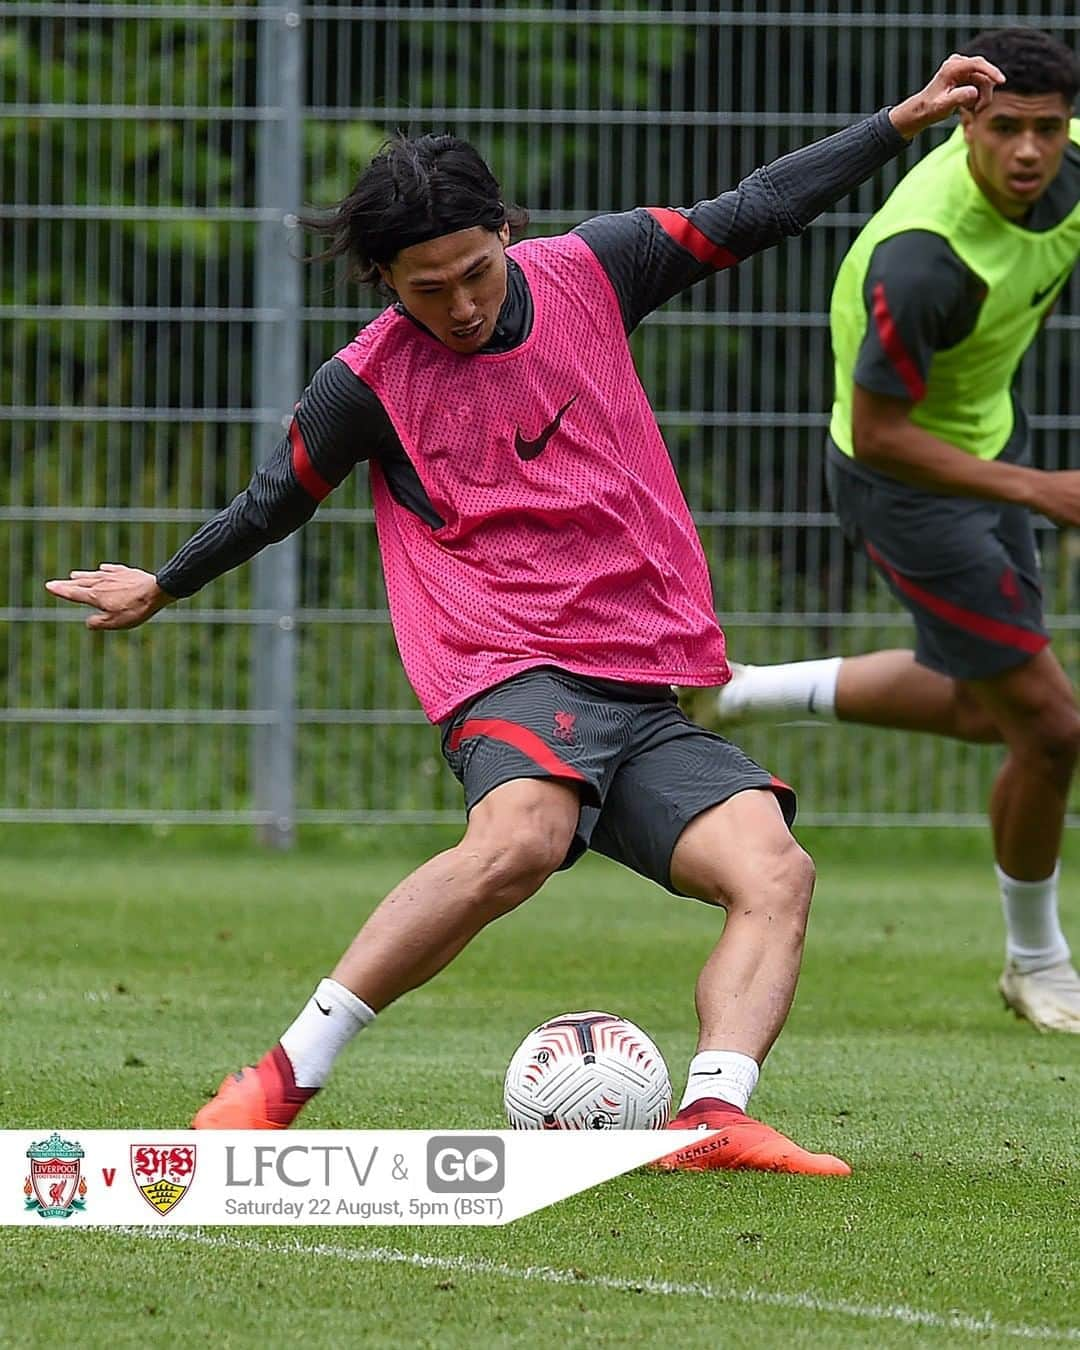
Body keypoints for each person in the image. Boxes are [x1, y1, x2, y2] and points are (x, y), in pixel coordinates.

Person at [46, 53, 1001, 1173]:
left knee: (774, 869)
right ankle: (279, 1081)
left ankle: (713, 1114)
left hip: (642, 676)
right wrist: (163, 581)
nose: (457, 304)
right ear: (385, 283)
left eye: (474, 272)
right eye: (425, 288)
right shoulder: (365, 382)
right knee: (523, 837)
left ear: (506, 231)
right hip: (505, 665)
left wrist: (903, 119)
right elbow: (272, 503)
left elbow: (757, 209)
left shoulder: (597, 267)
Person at [683, 27, 1080, 1036]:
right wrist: (1039, 490)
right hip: (904, 483)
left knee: (994, 714)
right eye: (1006, 130)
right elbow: (881, 433)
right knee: (1049, 725)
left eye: (1048, 127)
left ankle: (738, 693)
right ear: (966, 124)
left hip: (987, 446)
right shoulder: (920, 260)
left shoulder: (1060, 161)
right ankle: (1038, 964)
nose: (1030, 151)